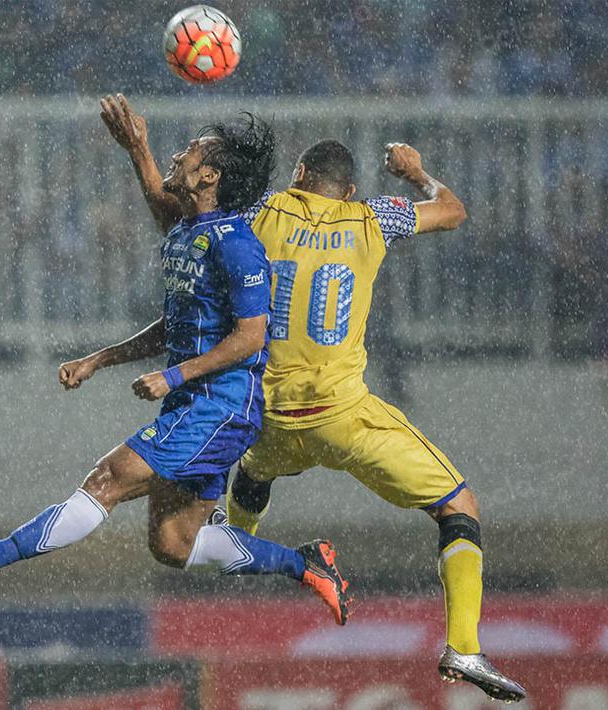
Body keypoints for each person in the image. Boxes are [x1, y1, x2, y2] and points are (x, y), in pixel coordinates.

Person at [100, 94, 525, 702]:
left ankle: (234, 542)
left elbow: (178, 216)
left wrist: (139, 152)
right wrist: (416, 172)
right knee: (459, 506)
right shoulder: (372, 218)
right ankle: (463, 647)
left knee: (252, 472)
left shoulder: (263, 212)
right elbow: (453, 210)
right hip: (343, 416)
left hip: (264, 415)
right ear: (347, 192)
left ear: (298, 177)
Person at [0, 111, 351, 626]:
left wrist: (174, 376)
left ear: (209, 176)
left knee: (107, 479)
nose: (179, 154)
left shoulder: (238, 245)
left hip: (222, 407)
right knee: (173, 544)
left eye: (191, 150)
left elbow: (251, 336)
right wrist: (99, 359)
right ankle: (306, 564)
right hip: (198, 404)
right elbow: (173, 318)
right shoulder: (191, 232)